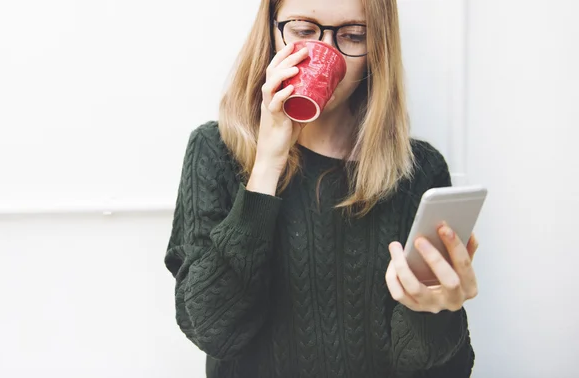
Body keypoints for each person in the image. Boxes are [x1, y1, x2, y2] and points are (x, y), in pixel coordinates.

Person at [164, 0, 480, 377]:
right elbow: (211, 329)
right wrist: (266, 165)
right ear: (271, 31)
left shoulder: (418, 171)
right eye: (302, 30)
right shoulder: (216, 150)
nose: (325, 52)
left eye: (352, 35)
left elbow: (444, 370)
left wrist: (437, 311)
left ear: (378, 47)